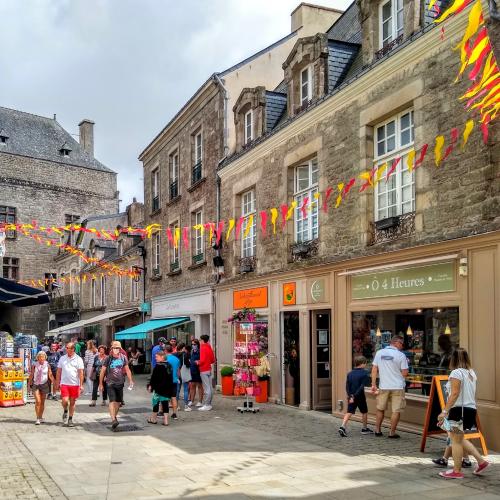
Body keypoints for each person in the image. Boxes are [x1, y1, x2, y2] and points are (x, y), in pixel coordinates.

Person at [437, 348, 490, 479]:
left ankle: (456, 471)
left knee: (455, 441)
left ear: (453, 359)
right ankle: (481, 462)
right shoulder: (471, 373)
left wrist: (444, 411)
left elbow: (454, 394)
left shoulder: (456, 373)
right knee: (458, 438)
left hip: (458, 411)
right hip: (470, 410)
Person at [371, 335, 408, 438]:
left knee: (380, 408)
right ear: (396, 343)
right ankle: (392, 433)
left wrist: (373, 384)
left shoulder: (379, 353)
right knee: (396, 410)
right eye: (401, 343)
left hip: (384, 386)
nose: (402, 346)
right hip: (398, 387)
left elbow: (374, 370)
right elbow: (405, 373)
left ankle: (377, 430)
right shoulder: (401, 355)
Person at [99, 340, 133, 431]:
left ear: (120, 349)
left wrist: (131, 380)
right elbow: (102, 371)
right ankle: (113, 419)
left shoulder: (123, 357)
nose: (116, 349)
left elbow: (127, 370)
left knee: (118, 402)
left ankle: (114, 417)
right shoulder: (108, 358)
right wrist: (101, 384)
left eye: (117, 348)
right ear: (111, 348)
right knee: (112, 401)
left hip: (120, 383)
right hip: (110, 383)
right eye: (114, 348)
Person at [339, 356, 373, 437]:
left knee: (349, 411)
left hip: (351, 396)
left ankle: (342, 426)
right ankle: (364, 428)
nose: (365, 365)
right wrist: (354, 395)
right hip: (359, 396)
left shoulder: (350, 373)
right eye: (365, 363)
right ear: (361, 364)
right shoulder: (365, 373)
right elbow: (361, 387)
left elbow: (347, 386)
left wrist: (350, 395)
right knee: (364, 411)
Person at [55, 342, 84, 427]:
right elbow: (59, 371)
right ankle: (65, 410)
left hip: (75, 384)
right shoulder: (62, 358)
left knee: (72, 402)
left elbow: (81, 373)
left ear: (73, 349)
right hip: (64, 383)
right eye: (67, 348)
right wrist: (57, 382)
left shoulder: (78, 359)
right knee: (64, 400)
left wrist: (81, 385)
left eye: (70, 348)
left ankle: (70, 419)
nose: (68, 349)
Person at [147, 350, 173, 425]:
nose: (156, 358)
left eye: (157, 357)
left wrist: (150, 386)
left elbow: (153, 378)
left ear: (162, 357)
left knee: (155, 403)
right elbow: (170, 377)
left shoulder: (158, 366)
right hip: (167, 388)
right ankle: (166, 421)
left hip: (158, 388)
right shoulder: (169, 365)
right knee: (165, 404)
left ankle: (153, 419)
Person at [29, 351, 55, 425]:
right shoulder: (34, 365)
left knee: (42, 402)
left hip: (44, 384)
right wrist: (29, 385)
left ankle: (41, 417)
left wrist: (55, 383)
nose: (41, 358)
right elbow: (31, 375)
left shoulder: (47, 365)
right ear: (37, 358)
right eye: (40, 357)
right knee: (38, 401)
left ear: (45, 357)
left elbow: (50, 375)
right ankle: (37, 418)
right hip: (36, 384)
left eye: (42, 357)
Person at [197, 334, 215, 411]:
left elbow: (202, 360)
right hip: (209, 369)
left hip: (203, 369)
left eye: (200, 340)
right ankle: (209, 404)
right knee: (210, 387)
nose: (199, 341)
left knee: (207, 388)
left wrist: (197, 362)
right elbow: (213, 360)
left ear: (202, 340)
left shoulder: (202, 347)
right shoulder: (209, 346)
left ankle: (207, 404)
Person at [165, 344, 180, 420]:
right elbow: (178, 371)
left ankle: (163, 413)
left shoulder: (164, 358)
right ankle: (174, 414)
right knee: (173, 397)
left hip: (166, 381)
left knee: (164, 398)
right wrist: (178, 378)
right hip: (174, 380)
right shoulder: (177, 359)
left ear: (165, 350)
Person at [189, 339, 203, 407]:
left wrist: (198, 361)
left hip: (198, 370)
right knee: (192, 385)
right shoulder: (191, 351)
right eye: (192, 344)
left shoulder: (200, 351)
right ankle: (191, 400)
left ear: (197, 345)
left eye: (194, 344)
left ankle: (200, 401)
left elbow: (203, 360)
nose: (193, 346)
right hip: (192, 370)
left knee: (199, 386)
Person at [179, 344, 192, 411]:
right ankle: (186, 405)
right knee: (186, 390)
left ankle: (178, 405)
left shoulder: (180, 355)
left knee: (179, 390)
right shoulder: (188, 355)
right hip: (186, 374)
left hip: (180, 373)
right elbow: (189, 365)